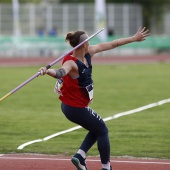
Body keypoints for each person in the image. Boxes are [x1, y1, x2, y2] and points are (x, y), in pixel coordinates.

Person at [39, 27, 150, 170]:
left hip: (76, 105)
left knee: (96, 129)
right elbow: (60, 72)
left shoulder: (88, 53)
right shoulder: (71, 63)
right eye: (88, 41)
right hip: (74, 107)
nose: (91, 43)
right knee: (102, 130)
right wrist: (46, 71)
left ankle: (79, 156)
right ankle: (106, 167)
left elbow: (112, 44)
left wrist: (133, 39)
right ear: (84, 45)